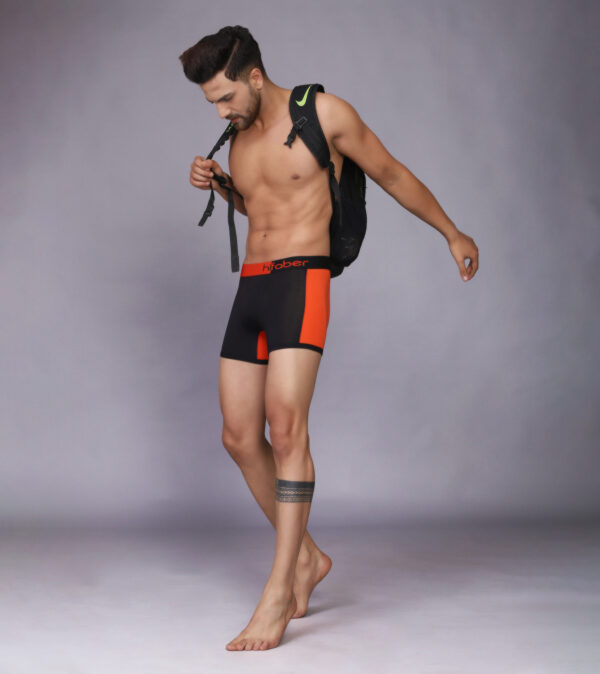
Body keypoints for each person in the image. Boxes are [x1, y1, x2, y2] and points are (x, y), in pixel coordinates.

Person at [179, 25, 479, 652]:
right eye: (212, 103)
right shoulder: (238, 138)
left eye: (225, 97)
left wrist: (451, 232)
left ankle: (278, 591)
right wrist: (222, 185)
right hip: (252, 287)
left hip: (301, 283)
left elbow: (391, 173)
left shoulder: (324, 114)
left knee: (287, 430)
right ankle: (309, 558)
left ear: (255, 77)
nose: (221, 111)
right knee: (238, 436)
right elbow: (261, 207)